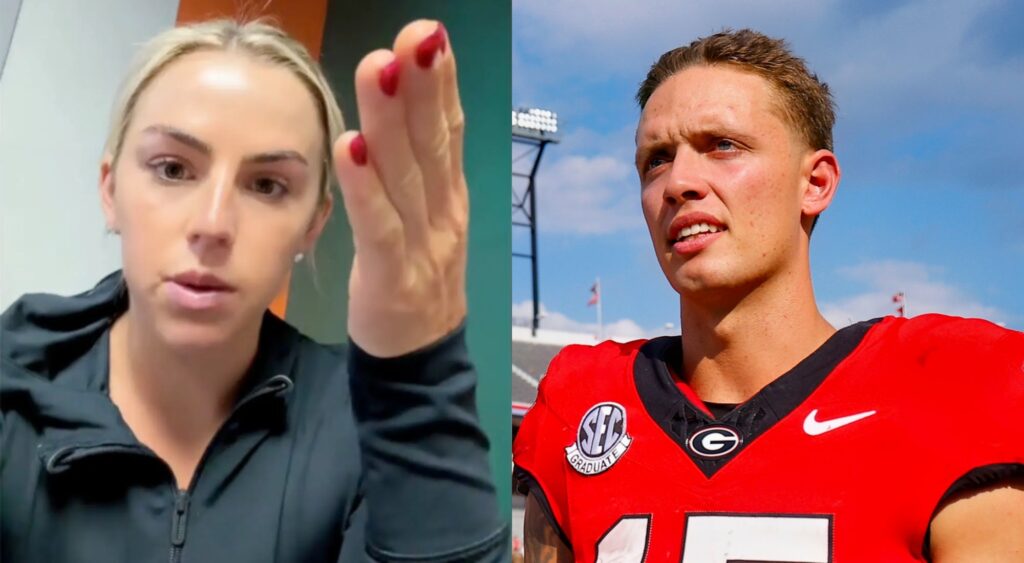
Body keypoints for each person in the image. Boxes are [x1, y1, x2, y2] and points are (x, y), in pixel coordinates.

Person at [0, 18, 506, 562]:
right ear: (111, 189)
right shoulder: (14, 393)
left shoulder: (362, 427)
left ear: (313, 224)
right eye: (172, 168)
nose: (214, 224)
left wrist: (421, 385)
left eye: (267, 185)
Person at [513, 29, 1024, 562]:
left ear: (816, 183)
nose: (678, 181)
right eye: (657, 159)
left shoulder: (951, 382)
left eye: (723, 146)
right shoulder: (582, 399)